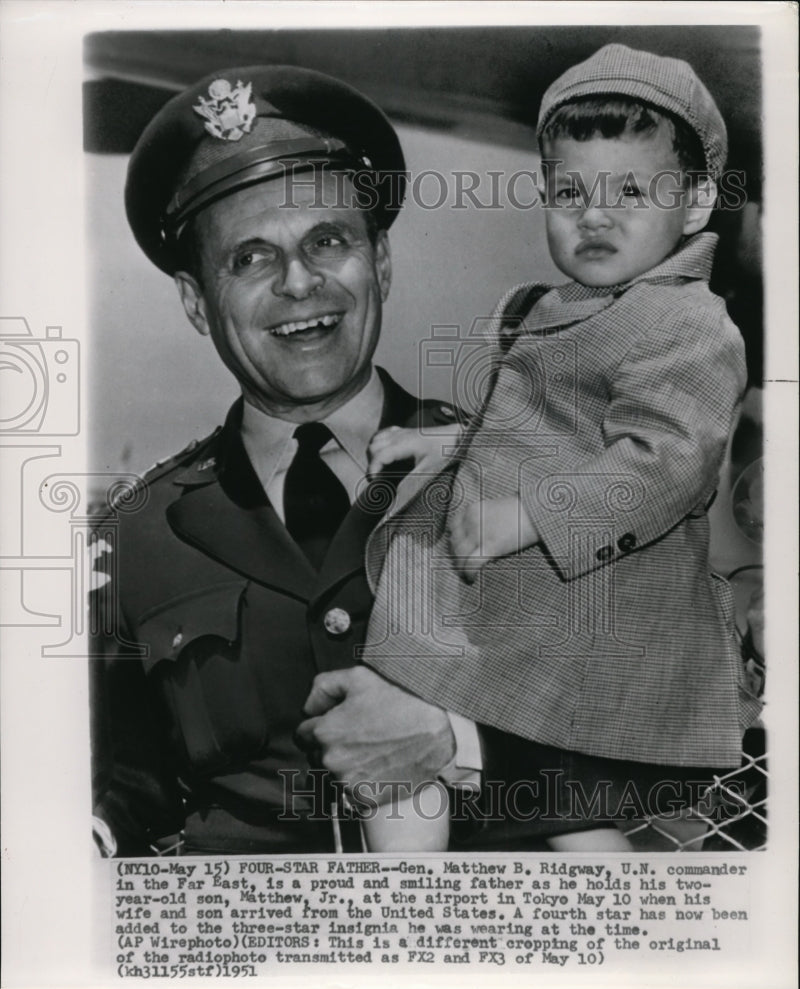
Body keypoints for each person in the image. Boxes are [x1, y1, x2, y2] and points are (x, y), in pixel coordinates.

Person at [90, 64, 582, 856]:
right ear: (194, 302)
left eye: (328, 241)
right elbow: (129, 778)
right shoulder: (136, 538)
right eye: (249, 258)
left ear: (380, 263)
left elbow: (666, 737)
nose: (299, 283)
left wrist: (459, 745)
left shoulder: (523, 479)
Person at [300, 44, 764, 851]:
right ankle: (415, 916)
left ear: (695, 206)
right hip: (532, 600)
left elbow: (666, 463)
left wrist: (525, 517)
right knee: (555, 809)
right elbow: (535, 432)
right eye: (570, 191)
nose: (595, 213)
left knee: (437, 731)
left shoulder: (689, 323)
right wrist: (447, 441)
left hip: (591, 605)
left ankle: (402, 919)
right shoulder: (557, 308)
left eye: (632, 191)